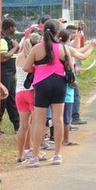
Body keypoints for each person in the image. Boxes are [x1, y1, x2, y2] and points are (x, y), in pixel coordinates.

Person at [22, 19, 70, 166]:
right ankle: (57, 155)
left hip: (42, 84)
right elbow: (69, 67)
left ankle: (35, 157)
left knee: (38, 121)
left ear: (43, 31)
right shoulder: (63, 48)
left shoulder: (37, 48)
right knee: (58, 119)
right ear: (58, 32)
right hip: (59, 83)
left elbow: (26, 67)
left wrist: (39, 69)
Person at [14, 30, 45, 164]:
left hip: (19, 93)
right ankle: (35, 152)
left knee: (23, 125)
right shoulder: (34, 57)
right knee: (35, 124)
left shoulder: (19, 56)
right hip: (31, 92)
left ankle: (21, 154)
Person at [0, 18, 20, 133]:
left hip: (11, 74)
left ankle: (17, 125)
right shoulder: (3, 41)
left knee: (12, 99)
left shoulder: (8, 40)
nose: (15, 29)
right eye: (14, 27)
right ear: (10, 28)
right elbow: (3, 58)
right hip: (5, 74)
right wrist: (15, 48)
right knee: (2, 99)